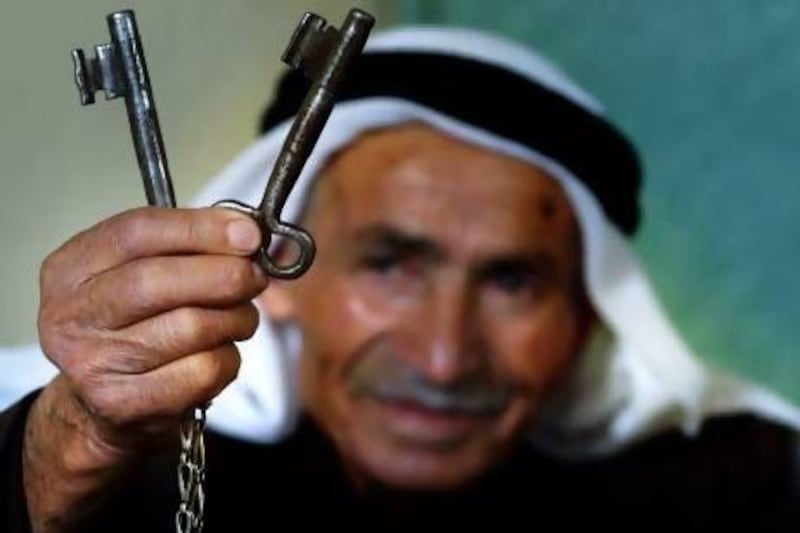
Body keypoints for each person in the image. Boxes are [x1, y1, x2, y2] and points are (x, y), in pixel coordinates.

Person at [1, 25, 799, 533]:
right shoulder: (109, 467)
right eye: (388, 264)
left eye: (513, 281)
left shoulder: (745, 486)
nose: (444, 357)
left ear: (589, 310)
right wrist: (67, 448)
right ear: (275, 275)